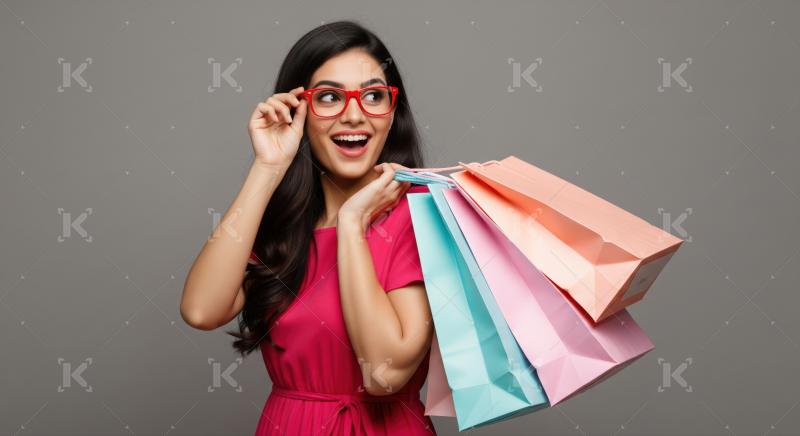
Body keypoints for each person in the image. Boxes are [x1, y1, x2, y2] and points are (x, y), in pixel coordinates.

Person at [180, 20, 437, 435]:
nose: (354, 115)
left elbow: (385, 374)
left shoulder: (421, 215)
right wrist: (268, 166)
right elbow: (201, 310)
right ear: (298, 111)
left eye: (373, 96)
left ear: (393, 113)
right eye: (329, 97)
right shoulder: (285, 223)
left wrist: (352, 226)